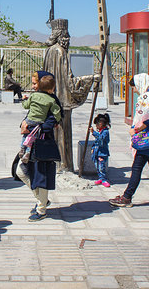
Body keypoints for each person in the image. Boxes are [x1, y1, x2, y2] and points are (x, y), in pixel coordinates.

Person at [43, 18, 98, 171]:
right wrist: (91, 78)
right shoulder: (60, 52)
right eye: (66, 36)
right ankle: (63, 166)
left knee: (54, 133)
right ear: (59, 35)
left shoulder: (48, 51)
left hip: (52, 100)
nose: (68, 39)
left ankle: (54, 165)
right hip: (62, 101)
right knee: (62, 133)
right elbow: (69, 81)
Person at [109, 74, 149, 207]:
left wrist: (135, 130)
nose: (134, 90)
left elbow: (147, 120)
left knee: (137, 167)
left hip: (146, 139)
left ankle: (127, 197)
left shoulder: (146, 97)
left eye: (134, 87)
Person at [16, 71, 59, 221]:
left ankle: (41, 209)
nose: (33, 87)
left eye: (35, 83)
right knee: (21, 171)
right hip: (30, 142)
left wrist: (34, 128)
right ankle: (42, 200)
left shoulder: (52, 100)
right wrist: (23, 125)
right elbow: (29, 116)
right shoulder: (44, 98)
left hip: (42, 143)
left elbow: (53, 122)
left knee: (41, 175)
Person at [19, 74, 61, 163]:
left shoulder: (33, 96)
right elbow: (57, 112)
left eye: (34, 84)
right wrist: (58, 120)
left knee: (26, 134)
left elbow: (26, 106)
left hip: (29, 121)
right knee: (33, 137)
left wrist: (24, 100)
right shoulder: (51, 100)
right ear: (51, 89)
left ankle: (22, 147)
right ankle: (28, 151)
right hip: (39, 123)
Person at [88, 113, 111, 187]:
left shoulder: (105, 132)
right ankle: (100, 177)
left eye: (97, 124)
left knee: (102, 167)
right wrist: (93, 148)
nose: (96, 126)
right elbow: (96, 142)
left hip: (102, 152)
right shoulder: (101, 131)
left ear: (100, 124)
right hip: (97, 151)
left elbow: (100, 139)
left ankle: (104, 179)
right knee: (97, 166)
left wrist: (93, 132)